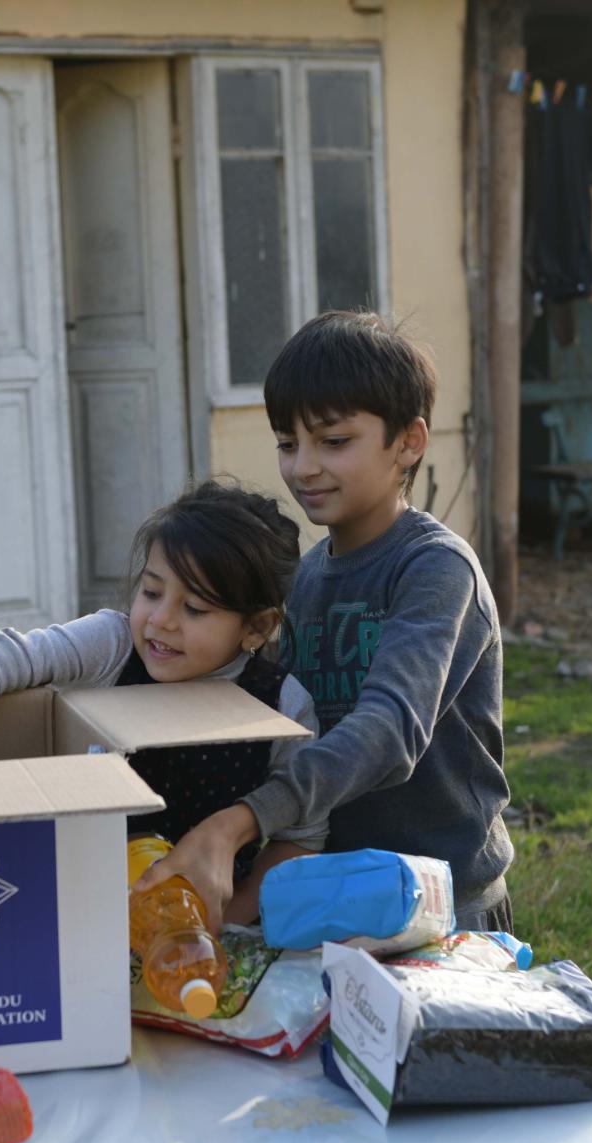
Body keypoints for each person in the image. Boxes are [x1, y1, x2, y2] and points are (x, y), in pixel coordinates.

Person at [132, 310, 516, 934]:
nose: (303, 467)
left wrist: (239, 821)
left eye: (333, 442)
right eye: (288, 444)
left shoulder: (436, 572)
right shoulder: (306, 579)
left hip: (443, 905)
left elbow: (389, 730)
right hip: (325, 895)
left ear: (409, 442)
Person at [0, 480, 327, 914]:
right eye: (151, 592)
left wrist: (227, 922)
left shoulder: (282, 705)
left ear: (257, 627)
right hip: (75, 911)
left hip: (190, 938)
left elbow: (302, 836)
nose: (161, 620)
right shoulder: (110, 645)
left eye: (195, 609)